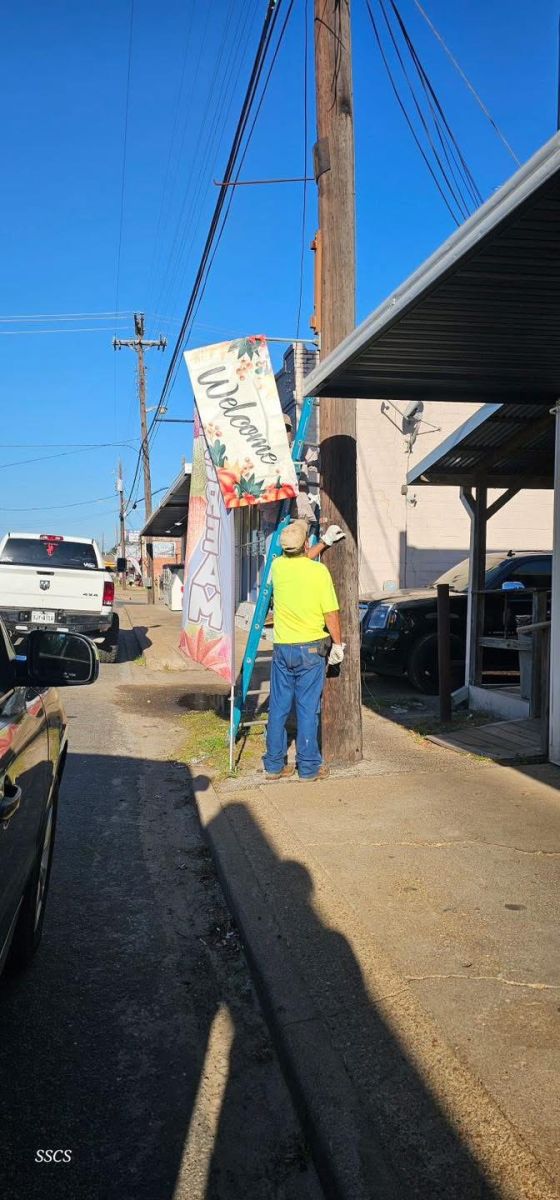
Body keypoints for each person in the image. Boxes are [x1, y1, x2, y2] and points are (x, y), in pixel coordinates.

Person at [262, 519, 345, 783]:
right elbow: (331, 613)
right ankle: (308, 768)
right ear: (305, 543)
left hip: (282, 649)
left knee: (278, 708)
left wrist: (324, 543)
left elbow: (300, 560)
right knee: (308, 709)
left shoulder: (277, 568)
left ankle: (274, 766)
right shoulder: (318, 573)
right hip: (311, 650)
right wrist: (339, 644)